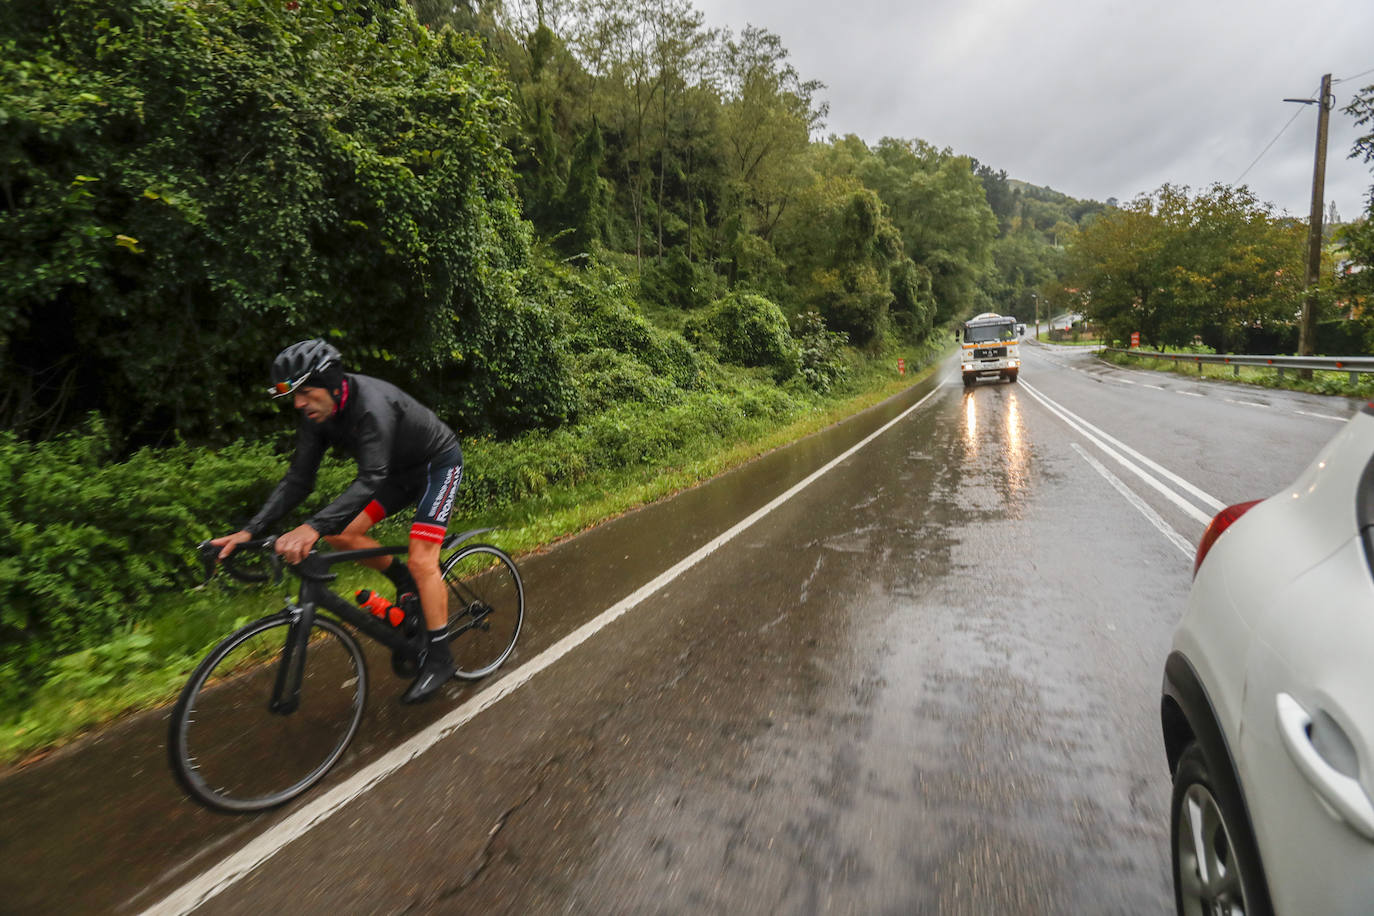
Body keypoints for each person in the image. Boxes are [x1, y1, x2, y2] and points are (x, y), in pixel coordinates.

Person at [211, 339, 464, 704]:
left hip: (437, 465)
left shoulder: (370, 406)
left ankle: (441, 659)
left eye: (305, 393)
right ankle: (402, 580)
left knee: (422, 558)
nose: (298, 404)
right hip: (396, 475)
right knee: (341, 535)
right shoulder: (317, 416)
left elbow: (369, 478)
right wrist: (251, 529)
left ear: (331, 384)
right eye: (293, 396)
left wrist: (311, 526)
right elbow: (299, 479)